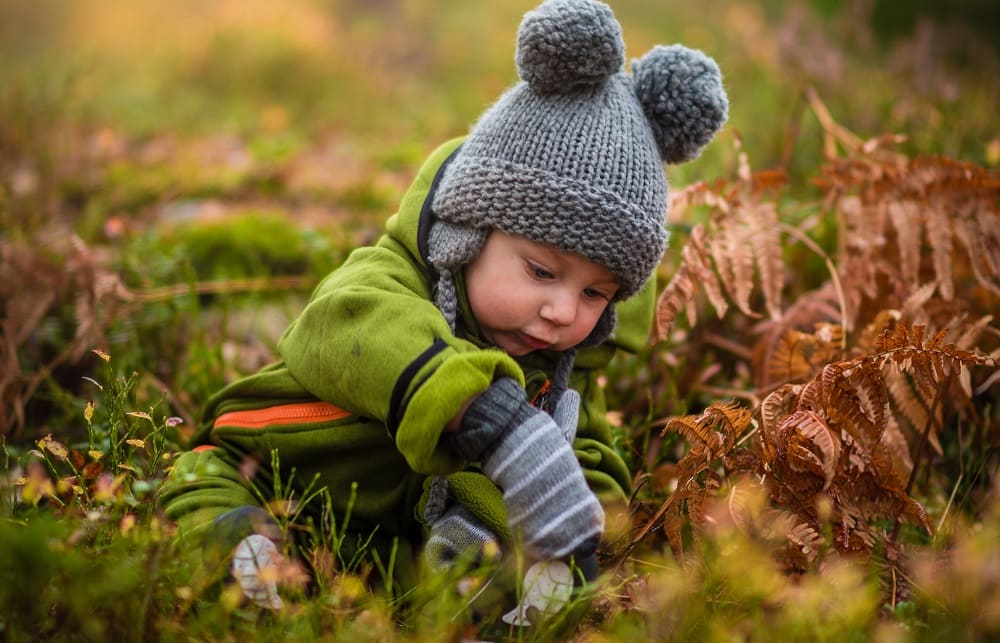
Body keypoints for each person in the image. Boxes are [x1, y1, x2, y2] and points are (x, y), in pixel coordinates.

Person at [158, 0, 727, 623]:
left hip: (388, 543)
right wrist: (487, 414)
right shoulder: (393, 278)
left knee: (493, 546)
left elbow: (587, 450)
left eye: (597, 293)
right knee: (203, 483)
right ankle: (244, 550)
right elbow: (342, 323)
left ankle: (452, 588)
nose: (564, 310)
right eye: (541, 271)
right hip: (275, 469)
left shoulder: (561, 365)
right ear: (468, 233)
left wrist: (574, 531)